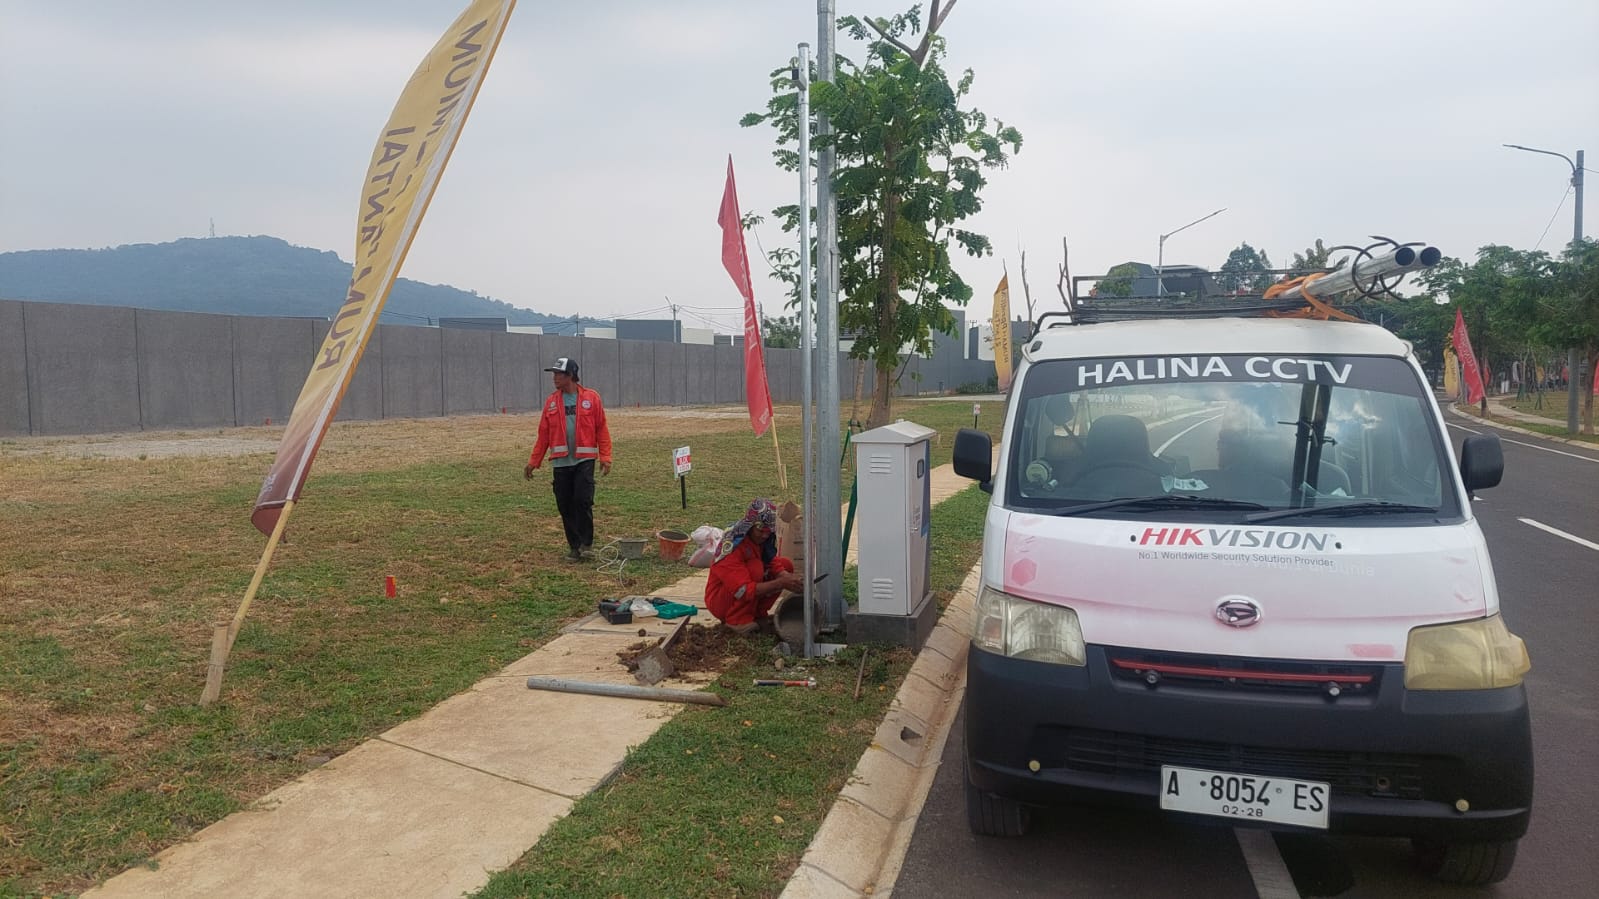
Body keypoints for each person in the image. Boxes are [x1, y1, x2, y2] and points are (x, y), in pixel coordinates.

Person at [524, 357, 612, 561]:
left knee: (582, 501)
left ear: (571, 375)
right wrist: (533, 462)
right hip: (561, 463)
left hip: (585, 460)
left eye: (558, 374)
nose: (554, 378)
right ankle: (574, 547)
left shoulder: (592, 398)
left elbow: (602, 429)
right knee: (565, 504)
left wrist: (605, 456)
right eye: (554, 374)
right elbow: (543, 435)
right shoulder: (551, 402)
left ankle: (586, 544)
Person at [704, 498, 803, 635]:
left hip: (743, 589)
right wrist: (780, 583)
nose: (764, 535)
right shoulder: (732, 546)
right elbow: (743, 590)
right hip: (721, 600)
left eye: (768, 532)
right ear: (750, 525)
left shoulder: (761, 539)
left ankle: (757, 614)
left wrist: (785, 576)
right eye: (760, 530)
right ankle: (737, 620)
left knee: (785, 565)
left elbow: (772, 561)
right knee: (756, 568)